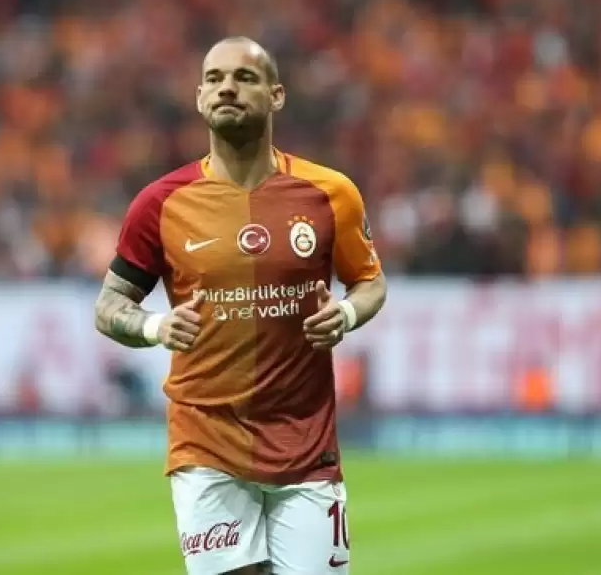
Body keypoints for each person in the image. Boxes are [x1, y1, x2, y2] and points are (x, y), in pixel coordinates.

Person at [94, 37, 387, 575]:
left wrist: (345, 315)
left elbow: (369, 282)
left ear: (276, 95)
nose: (226, 87)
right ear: (199, 97)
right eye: (214, 78)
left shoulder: (330, 193)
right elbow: (110, 304)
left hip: (306, 444)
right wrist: (157, 326)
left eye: (244, 77)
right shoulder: (160, 203)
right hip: (207, 444)